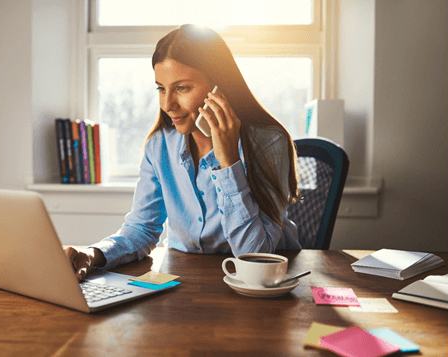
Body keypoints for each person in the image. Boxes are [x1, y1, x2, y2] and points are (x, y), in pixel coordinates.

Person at [65, 24, 301, 280]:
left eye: (182, 88)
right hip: (184, 281)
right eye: (161, 88)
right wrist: (93, 253)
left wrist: (229, 162)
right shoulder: (160, 145)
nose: (168, 104)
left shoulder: (267, 142)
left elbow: (255, 255)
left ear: (219, 88)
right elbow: (142, 229)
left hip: (264, 286)